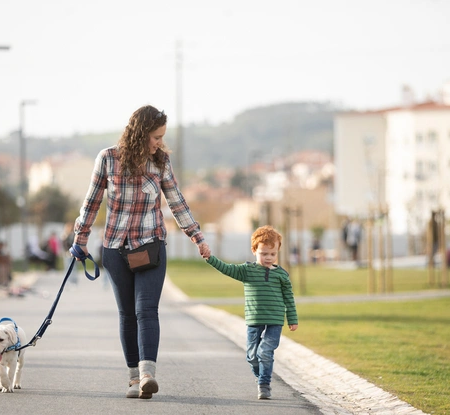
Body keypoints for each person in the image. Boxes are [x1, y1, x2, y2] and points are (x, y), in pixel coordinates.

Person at [70, 105, 210, 400]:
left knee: (146, 309)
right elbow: (92, 202)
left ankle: (148, 375)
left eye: (162, 137)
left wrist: (196, 236)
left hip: (150, 247)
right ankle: (134, 379)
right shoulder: (107, 158)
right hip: (116, 249)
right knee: (127, 315)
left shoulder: (161, 163)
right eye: (156, 136)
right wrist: (80, 238)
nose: (160, 142)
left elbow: (177, 202)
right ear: (141, 133)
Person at [204, 225, 298, 400]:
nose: (268, 257)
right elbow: (226, 268)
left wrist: (292, 319)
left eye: (272, 254)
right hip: (254, 320)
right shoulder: (246, 271)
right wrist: (210, 258)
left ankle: (264, 384)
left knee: (265, 352)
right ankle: (260, 375)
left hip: (275, 321)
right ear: (254, 250)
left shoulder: (282, 275)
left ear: (277, 252)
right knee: (252, 356)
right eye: (264, 253)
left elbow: (289, 299)